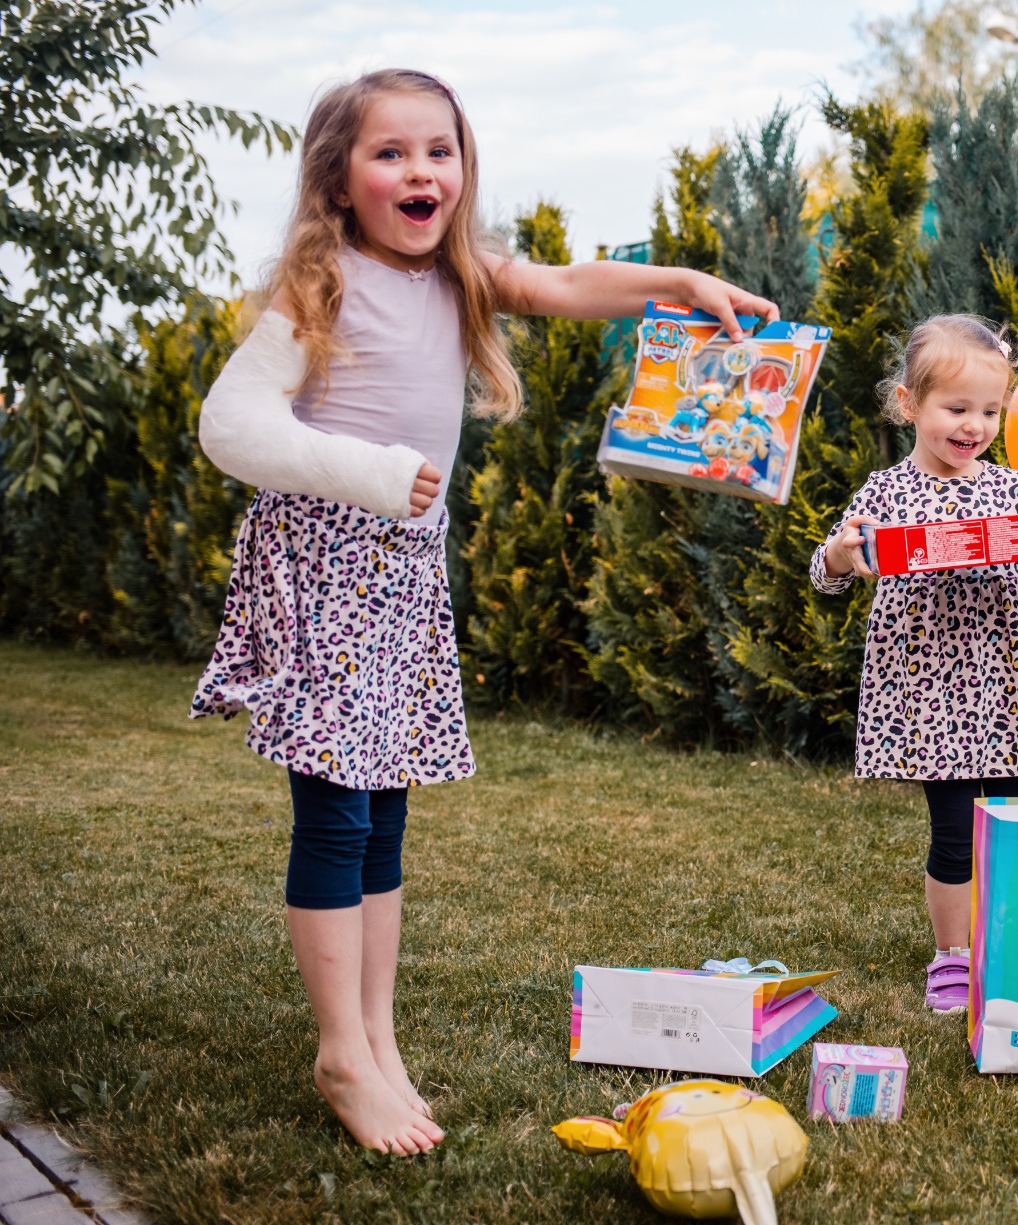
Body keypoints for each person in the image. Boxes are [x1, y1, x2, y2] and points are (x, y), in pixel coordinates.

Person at [190, 69, 777, 1155]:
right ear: (341, 177)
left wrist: (683, 281)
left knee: (387, 814)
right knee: (337, 815)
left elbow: (563, 283)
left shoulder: (461, 278)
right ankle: (339, 1051)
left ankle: (375, 1034)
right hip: (322, 564)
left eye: (440, 151)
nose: (421, 172)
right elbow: (229, 424)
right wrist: (368, 470)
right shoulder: (322, 283)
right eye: (391, 153)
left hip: (403, 571)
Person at [810, 315, 1018, 1014]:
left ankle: (1013, 947)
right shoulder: (883, 492)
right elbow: (827, 571)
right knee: (954, 831)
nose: (974, 425)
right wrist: (845, 553)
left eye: (989, 411)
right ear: (910, 404)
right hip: (930, 690)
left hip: (1006, 683)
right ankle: (952, 956)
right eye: (957, 408)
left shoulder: (1010, 487)